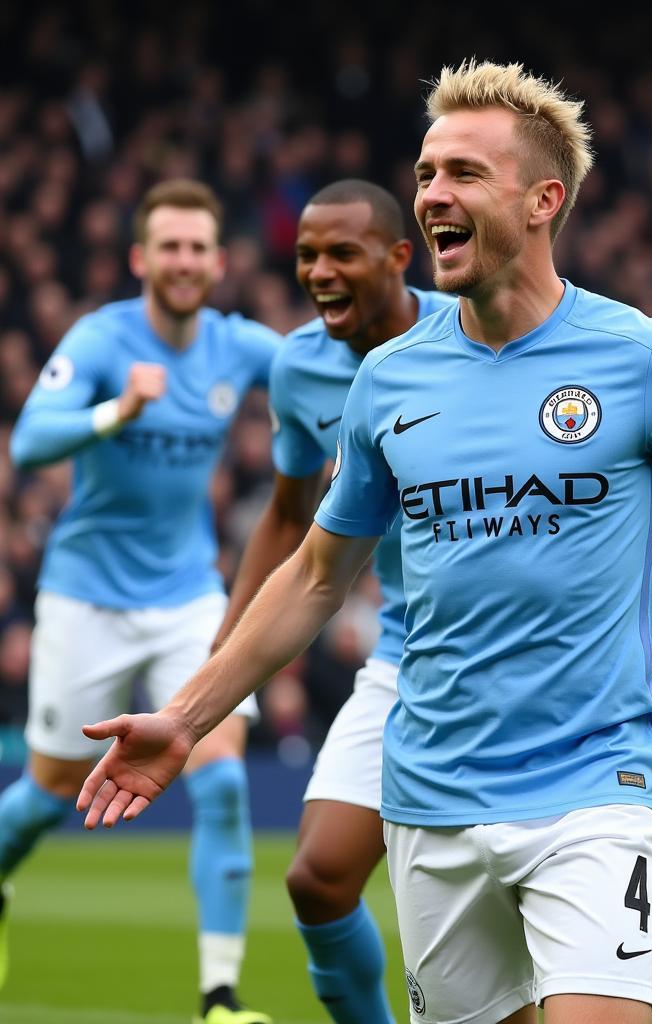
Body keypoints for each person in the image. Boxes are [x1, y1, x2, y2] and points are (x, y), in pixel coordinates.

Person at [77, 64, 652, 1024]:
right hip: (430, 793)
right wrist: (186, 718)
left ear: (542, 201)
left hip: (597, 788)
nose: (433, 193)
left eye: (465, 174)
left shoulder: (650, 360)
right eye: (428, 171)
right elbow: (316, 576)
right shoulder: (388, 382)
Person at [4, 179, 279, 1024]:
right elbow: (28, 441)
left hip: (191, 596)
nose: (186, 261)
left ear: (220, 262)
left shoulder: (239, 347)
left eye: (200, 247)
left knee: (224, 780)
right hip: (87, 594)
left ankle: (220, 999)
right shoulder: (101, 339)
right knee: (49, 793)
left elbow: (333, 365)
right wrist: (115, 409)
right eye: (170, 246)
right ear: (141, 259)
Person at [211, 178, 453, 1024]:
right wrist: (225, 662)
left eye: (341, 253)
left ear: (397, 257)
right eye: (307, 254)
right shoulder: (300, 365)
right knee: (316, 879)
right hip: (404, 652)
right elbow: (287, 517)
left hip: (506, 662)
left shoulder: (465, 338)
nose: (319, 271)